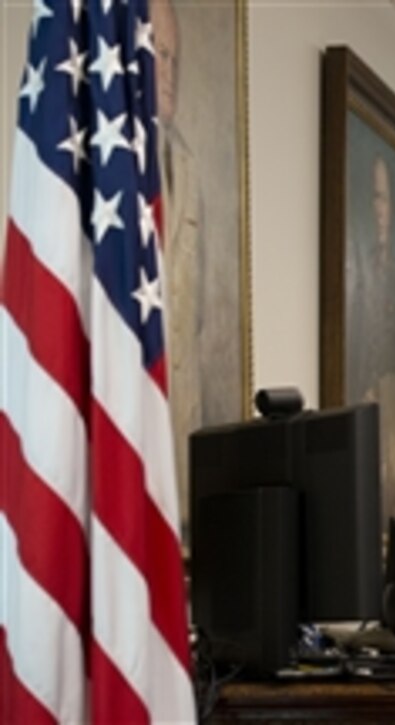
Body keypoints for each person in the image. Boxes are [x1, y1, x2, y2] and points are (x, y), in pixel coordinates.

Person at [152, 0, 204, 538]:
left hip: (178, 435)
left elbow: (198, 319)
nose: (168, 73)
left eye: (174, 60)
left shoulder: (186, 166)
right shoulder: (109, 165)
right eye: (157, 55)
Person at [346, 152, 395, 533]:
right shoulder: (362, 267)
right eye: (374, 197)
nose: (379, 209)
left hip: (391, 390)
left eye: (385, 198)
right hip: (367, 390)